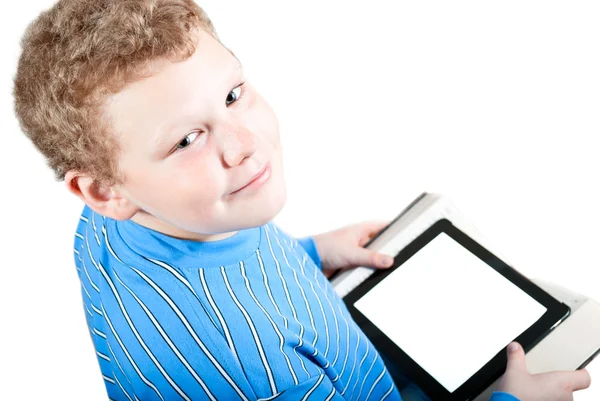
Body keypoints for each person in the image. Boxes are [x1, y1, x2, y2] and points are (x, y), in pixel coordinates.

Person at [13, 1, 591, 400]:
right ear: (102, 189)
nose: (244, 146)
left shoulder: (124, 219)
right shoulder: (255, 374)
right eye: (188, 139)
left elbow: (220, 266)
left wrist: (312, 252)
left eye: (234, 95)